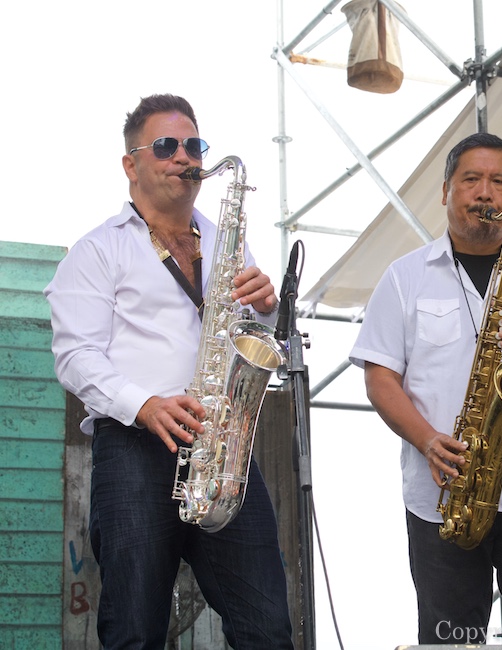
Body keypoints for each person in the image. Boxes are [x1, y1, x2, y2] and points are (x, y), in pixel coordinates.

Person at [45, 94, 293, 649]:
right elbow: (75, 357)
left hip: (222, 449)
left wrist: (266, 308)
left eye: (193, 145)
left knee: (268, 629)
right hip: (135, 449)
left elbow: (248, 340)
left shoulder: (230, 242)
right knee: (134, 629)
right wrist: (145, 403)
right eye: (166, 146)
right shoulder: (95, 251)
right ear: (131, 164)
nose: (185, 157)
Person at [349, 132, 502, 645]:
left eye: (499, 182)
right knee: (449, 643)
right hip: (444, 494)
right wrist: (426, 439)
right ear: (445, 192)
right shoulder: (404, 277)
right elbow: (379, 378)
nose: (485, 193)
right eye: (472, 180)